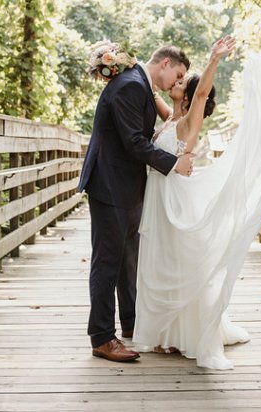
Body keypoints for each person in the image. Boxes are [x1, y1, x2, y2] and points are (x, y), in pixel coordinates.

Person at [133, 38, 261, 369]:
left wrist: (214, 59)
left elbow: (201, 93)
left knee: (176, 261)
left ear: (187, 96)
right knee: (162, 260)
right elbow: (151, 88)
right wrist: (123, 65)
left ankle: (182, 334)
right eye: (177, 78)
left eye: (181, 82)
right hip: (159, 196)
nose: (175, 81)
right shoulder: (170, 118)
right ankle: (167, 333)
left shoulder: (190, 120)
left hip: (175, 197)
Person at [78, 45, 197, 362]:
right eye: (179, 75)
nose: (177, 82)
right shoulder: (132, 84)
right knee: (107, 260)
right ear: (166, 63)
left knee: (126, 259)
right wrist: (173, 164)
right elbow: (134, 142)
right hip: (110, 184)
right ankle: (102, 337)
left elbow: (149, 130)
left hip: (124, 185)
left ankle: (131, 325)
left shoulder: (138, 83)